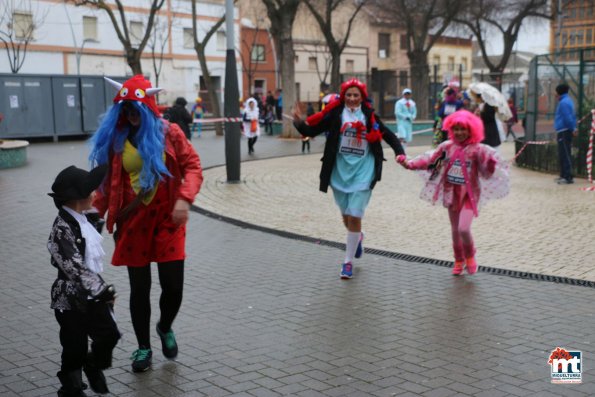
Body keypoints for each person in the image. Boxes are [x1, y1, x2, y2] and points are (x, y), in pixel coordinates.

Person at [89, 75, 203, 372]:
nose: (130, 115)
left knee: (173, 288)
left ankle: (165, 327)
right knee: (140, 289)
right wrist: (90, 214)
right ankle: (143, 348)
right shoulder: (115, 140)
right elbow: (106, 185)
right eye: (126, 109)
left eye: (136, 109)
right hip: (134, 223)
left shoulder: (170, 133)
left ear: (148, 107)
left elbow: (192, 166)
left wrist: (184, 199)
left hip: (168, 220)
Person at [293, 78, 405, 279]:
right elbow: (311, 131)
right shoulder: (335, 115)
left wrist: (399, 153)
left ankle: (347, 262)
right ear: (343, 96)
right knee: (346, 216)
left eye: (356, 95)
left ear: (362, 97)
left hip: (364, 170)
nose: (352, 98)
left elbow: (389, 135)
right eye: (349, 95)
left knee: (355, 215)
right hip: (340, 171)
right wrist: (298, 122)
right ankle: (357, 237)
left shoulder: (369, 116)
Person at [397, 110, 509, 275]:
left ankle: (470, 255)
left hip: (470, 195)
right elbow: (431, 161)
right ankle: (458, 259)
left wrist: (490, 164)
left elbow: (486, 173)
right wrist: (409, 164)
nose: (459, 133)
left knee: (464, 228)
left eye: (463, 129)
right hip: (451, 193)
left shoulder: (477, 150)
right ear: (450, 130)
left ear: (471, 130)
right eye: (456, 129)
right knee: (455, 230)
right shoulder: (446, 147)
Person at [47, 164, 120, 396]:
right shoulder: (60, 230)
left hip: (92, 291)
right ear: (78, 198)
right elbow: (74, 268)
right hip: (69, 297)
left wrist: (100, 291)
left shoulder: (85, 218)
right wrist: (103, 291)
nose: (95, 194)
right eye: (91, 191)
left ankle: (93, 363)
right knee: (74, 346)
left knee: (109, 333)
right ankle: (71, 386)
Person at [554, 83, 577, 184]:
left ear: (559, 92)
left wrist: (573, 129)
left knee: (565, 154)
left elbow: (568, 118)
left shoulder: (563, 103)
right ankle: (563, 175)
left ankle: (567, 177)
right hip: (564, 130)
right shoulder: (567, 101)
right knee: (563, 153)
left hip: (564, 131)